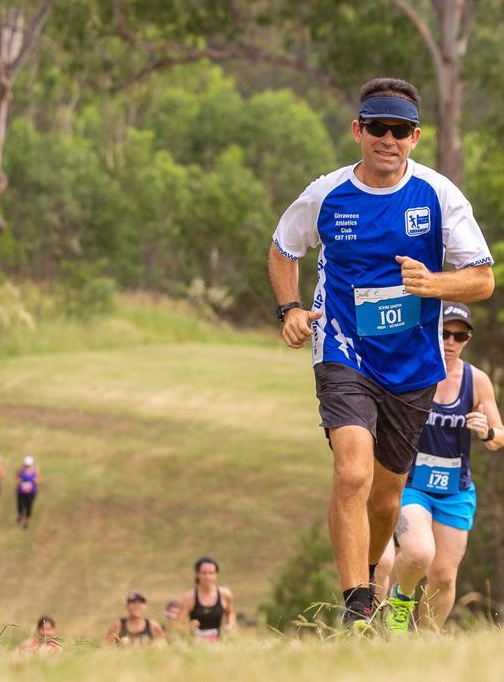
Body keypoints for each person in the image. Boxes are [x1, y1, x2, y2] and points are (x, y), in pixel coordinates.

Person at [268, 77, 494, 628]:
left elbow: (483, 280)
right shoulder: (326, 194)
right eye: (376, 128)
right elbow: (282, 249)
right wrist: (291, 310)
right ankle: (355, 609)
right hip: (343, 349)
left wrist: (433, 284)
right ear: (358, 131)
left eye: (399, 130)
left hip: (413, 364)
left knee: (388, 494)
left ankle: (370, 580)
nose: (386, 139)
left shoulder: (439, 196)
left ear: (415, 137)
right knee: (351, 474)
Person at [379, 302, 504, 633]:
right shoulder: (413, 371)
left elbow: (499, 437)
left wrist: (486, 431)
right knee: (419, 552)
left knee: (444, 575)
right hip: (412, 484)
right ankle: (400, 602)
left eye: (459, 335)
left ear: (467, 339)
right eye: (444, 333)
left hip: (456, 491)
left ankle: (425, 642)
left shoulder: (477, 381)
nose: (450, 341)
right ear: (432, 331)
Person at [176, 556, 236, 640]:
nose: (207, 577)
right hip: (195, 645)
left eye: (211, 573)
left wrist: (229, 625)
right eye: (204, 573)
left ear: (216, 575)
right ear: (197, 574)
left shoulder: (225, 594)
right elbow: (177, 625)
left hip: (219, 644)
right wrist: (188, 629)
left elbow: (230, 612)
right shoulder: (189, 597)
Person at [102, 592, 167, 646]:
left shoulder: (153, 626)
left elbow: (165, 648)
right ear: (127, 606)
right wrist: (120, 644)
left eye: (140, 603)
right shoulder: (118, 625)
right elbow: (104, 646)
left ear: (145, 606)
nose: (136, 605)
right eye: (133, 602)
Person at [16, 456, 39, 529]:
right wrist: (20, 481)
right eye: (26, 465)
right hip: (21, 492)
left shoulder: (35, 470)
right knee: (21, 506)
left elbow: (37, 480)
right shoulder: (20, 470)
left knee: (29, 507)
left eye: (28, 465)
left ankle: (26, 523)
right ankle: (20, 516)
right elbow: (17, 478)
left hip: (31, 492)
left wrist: (34, 481)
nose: (27, 466)